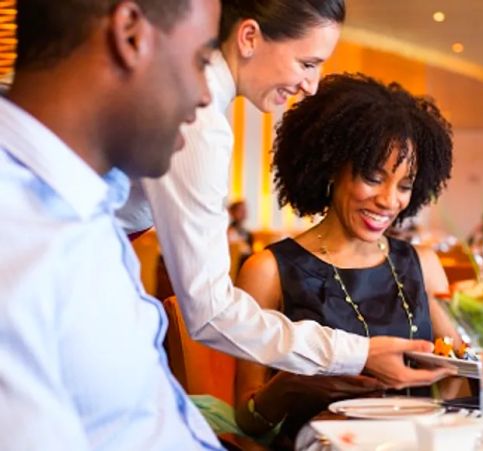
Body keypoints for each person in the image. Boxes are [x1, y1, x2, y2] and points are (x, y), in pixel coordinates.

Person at [116, 0, 452, 386]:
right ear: (248, 37)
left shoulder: (194, 104)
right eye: (307, 63)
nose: (311, 85)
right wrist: (358, 354)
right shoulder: (199, 122)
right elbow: (210, 312)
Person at [0, 0, 226, 448]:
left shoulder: (81, 208)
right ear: (129, 35)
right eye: (201, 60)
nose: (204, 94)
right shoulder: (18, 241)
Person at [231, 74, 461, 446]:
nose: (389, 201)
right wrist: (292, 386)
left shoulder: (423, 263)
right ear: (330, 167)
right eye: (373, 178)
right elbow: (246, 422)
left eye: (404, 185)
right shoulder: (268, 271)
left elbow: (454, 376)